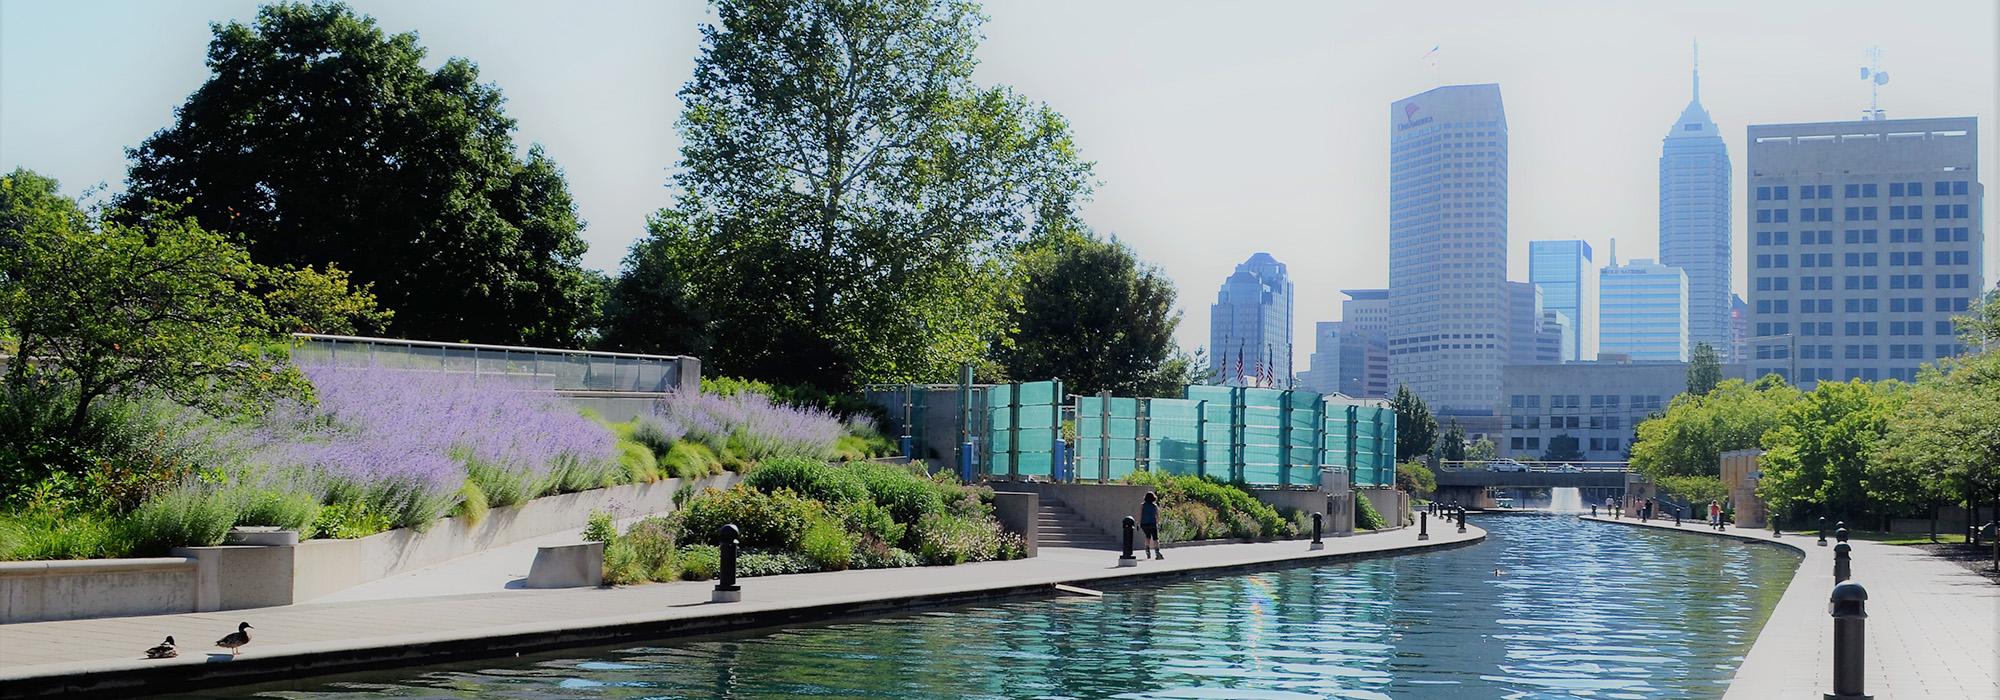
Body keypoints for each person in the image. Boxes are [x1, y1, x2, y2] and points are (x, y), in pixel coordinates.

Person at [1140, 492, 1162, 560]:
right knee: (1155, 538)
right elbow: (1158, 515)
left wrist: (1138, 522)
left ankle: (1147, 550)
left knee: (1147, 536)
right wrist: (1158, 523)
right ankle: (1157, 552)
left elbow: (1140, 514)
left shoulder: (1142, 505)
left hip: (1144, 524)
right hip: (1152, 523)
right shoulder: (1154, 506)